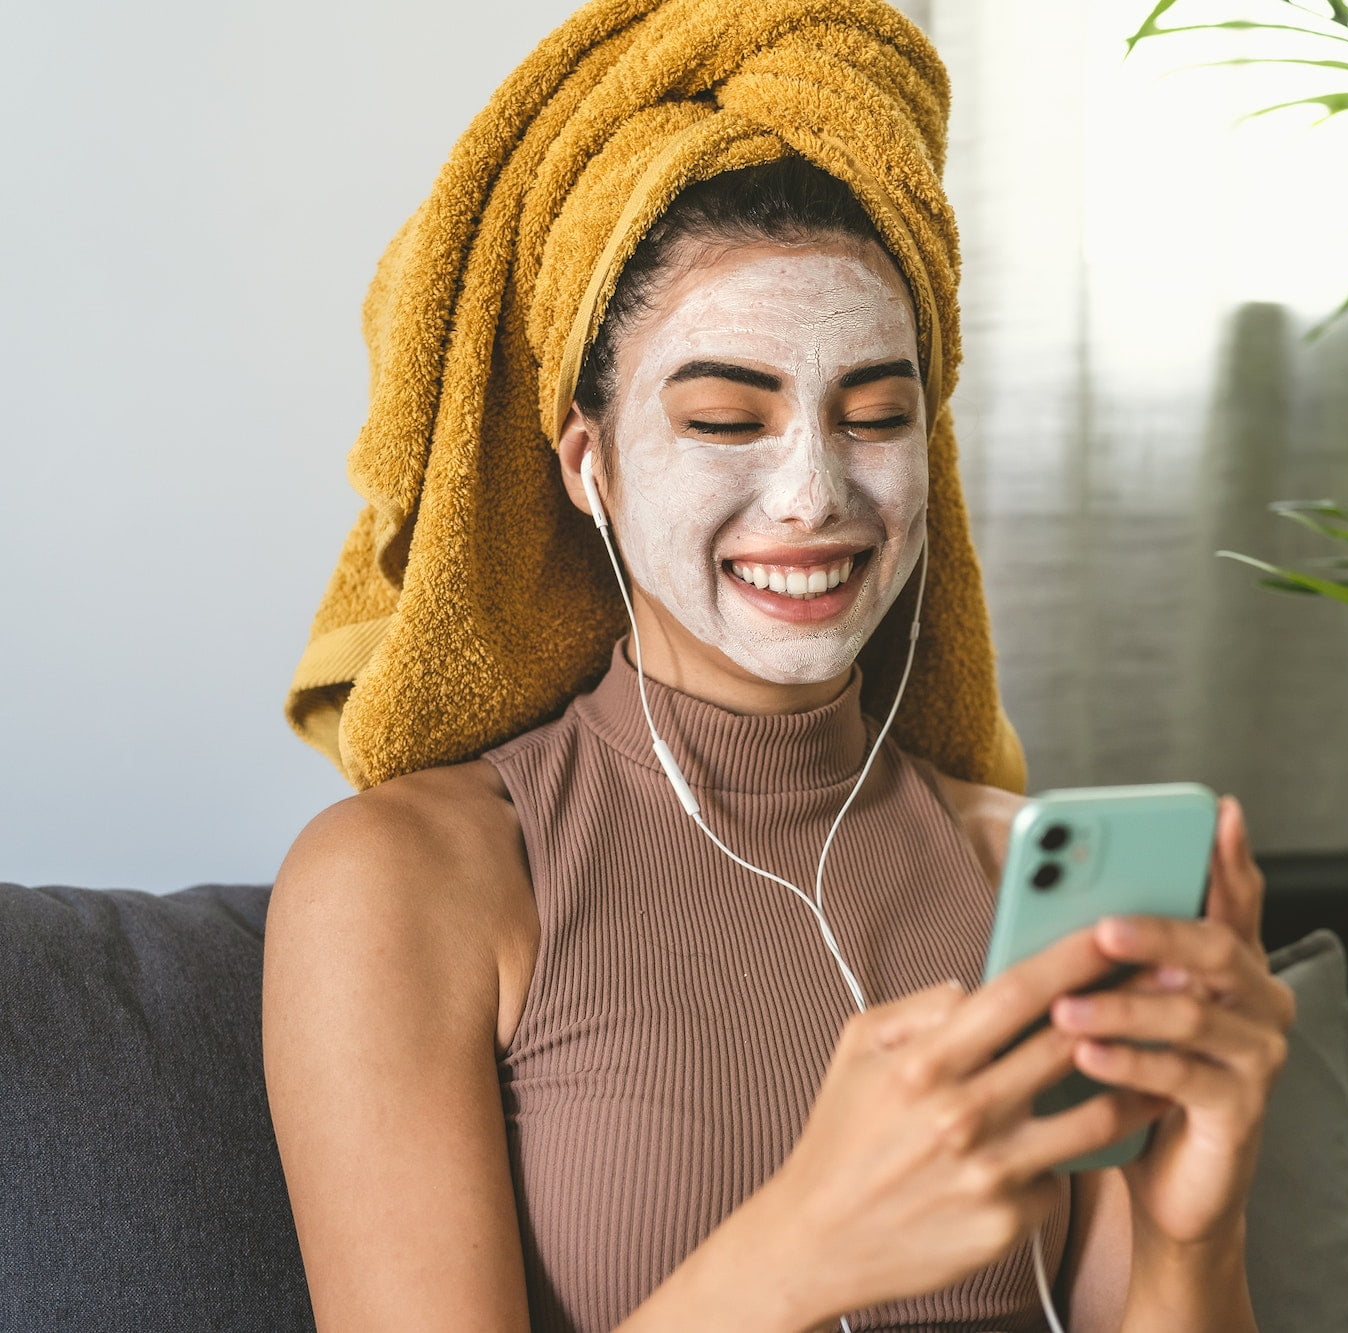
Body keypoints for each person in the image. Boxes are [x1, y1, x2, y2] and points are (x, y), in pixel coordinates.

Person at [263, 6, 1295, 1331]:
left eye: (875, 415)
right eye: (722, 417)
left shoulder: (1015, 870)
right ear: (592, 463)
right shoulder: (412, 882)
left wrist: (1193, 1232)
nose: (814, 493)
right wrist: (806, 1249)